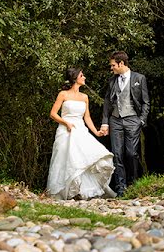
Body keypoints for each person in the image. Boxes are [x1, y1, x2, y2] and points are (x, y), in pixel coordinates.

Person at [46, 67, 116, 199]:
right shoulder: (63, 94)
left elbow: (87, 117)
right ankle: (66, 191)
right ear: (75, 78)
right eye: (82, 75)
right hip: (66, 129)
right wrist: (65, 123)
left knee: (85, 158)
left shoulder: (84, 97)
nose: (84, 78)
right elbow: (53, 114)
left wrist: (96, 132)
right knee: (66, 159)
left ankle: (81, 191)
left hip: (80, 129)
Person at [100, 51, 149, 197]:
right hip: (115, 120)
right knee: (117, 154)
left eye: (113, 65)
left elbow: (146, 102)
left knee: (131, 153)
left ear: (121, 63)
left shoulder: (139, 78)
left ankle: (133, 183)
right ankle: (121, 187)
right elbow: (107, 102)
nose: (112, 68)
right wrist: (105, 123)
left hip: (132, 119)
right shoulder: (112, 80)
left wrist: (141, 120)